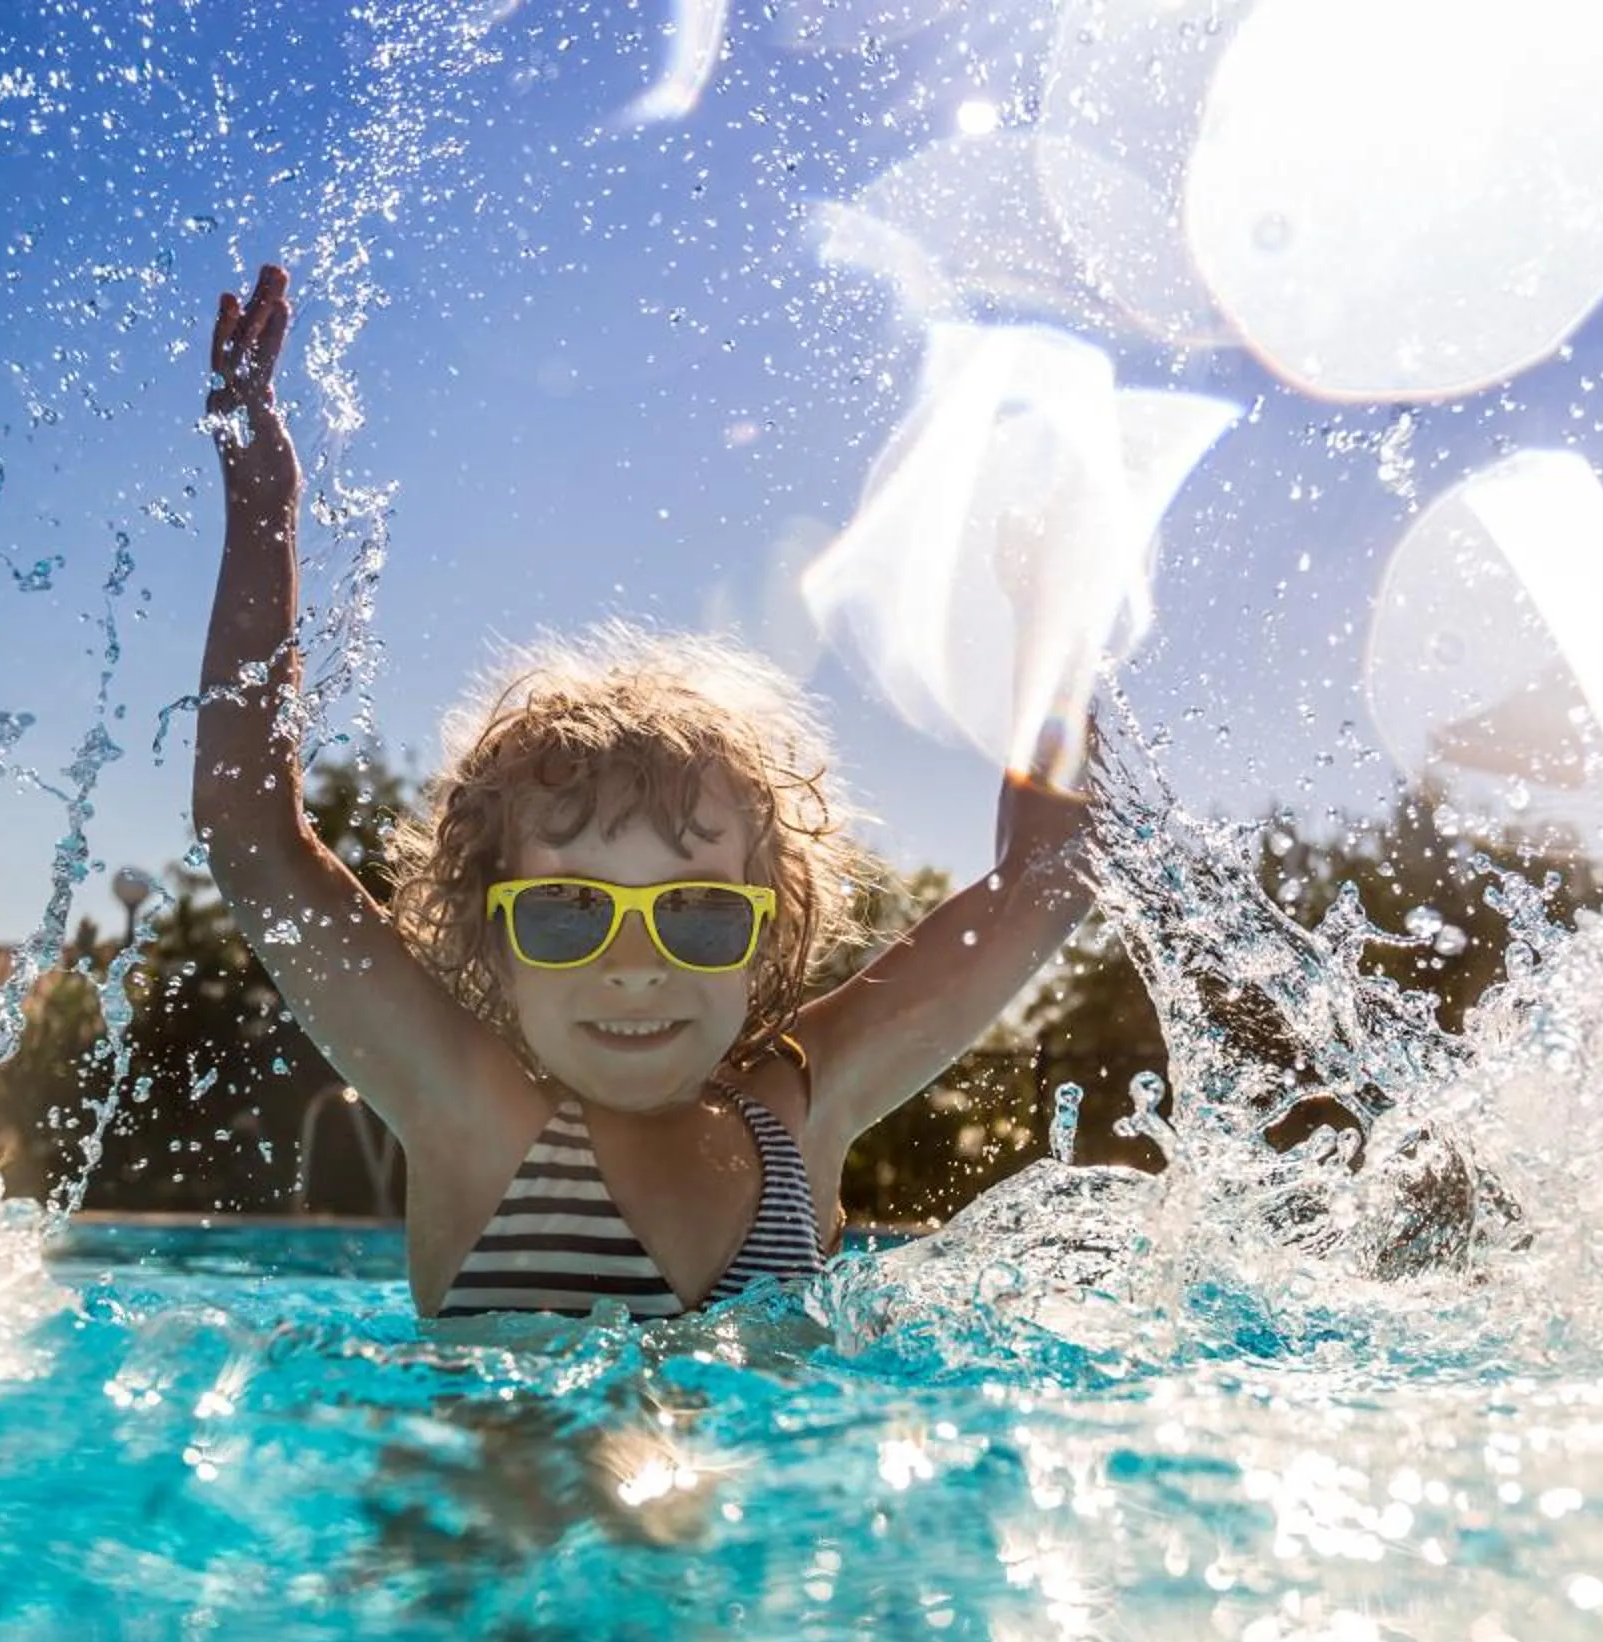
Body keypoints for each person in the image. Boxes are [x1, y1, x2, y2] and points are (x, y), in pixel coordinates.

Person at [194, 263, 1095, 1317]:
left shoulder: (802, 1110)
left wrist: (1056, 616)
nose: (634, 967)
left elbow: (1050, 878)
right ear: (493, 934)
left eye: (699, 914)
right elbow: (250, 834)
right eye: (568, 911)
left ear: (767, 931)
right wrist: (263, 508)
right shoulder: (470, 1107)